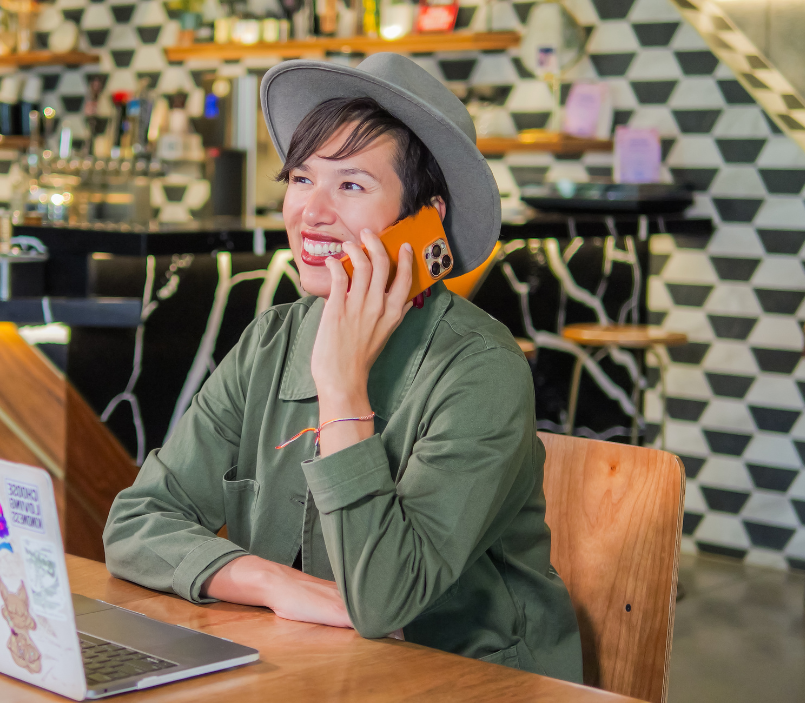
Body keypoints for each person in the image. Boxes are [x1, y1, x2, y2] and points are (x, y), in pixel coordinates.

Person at [103, 53, 582, 682]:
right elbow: (136, 521)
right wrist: (275, 583)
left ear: (424, 220)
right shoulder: (274, 338)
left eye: (351, 185)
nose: (311, 213)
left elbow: (383, 601)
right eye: (302, 179)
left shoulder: (480, 369)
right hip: (309, 667)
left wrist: (340, 386)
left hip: (468, 682)